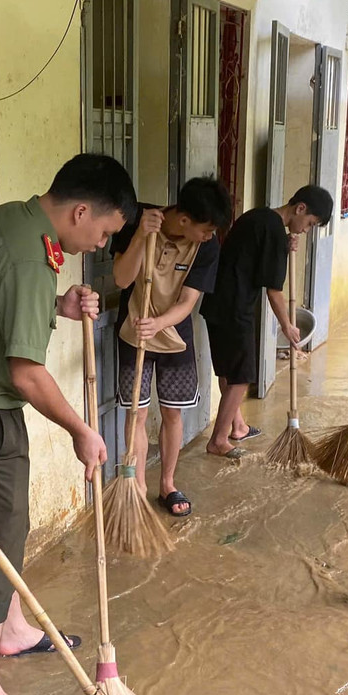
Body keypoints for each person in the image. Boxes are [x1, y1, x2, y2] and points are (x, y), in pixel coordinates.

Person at [0, 153, 133, 695]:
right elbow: (26, 373)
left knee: (9, 524)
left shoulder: (11, 219)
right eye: (103, 232)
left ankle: (14, 629)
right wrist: (82, 428)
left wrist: (58, 306)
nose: (98, 245)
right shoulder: (30, 261)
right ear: (79, 211)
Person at [110, 177, 232, 517]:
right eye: (206, 229)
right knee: (136, 411)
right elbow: (121, 278)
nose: (209, 236)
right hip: (133, 332)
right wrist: (139, 237)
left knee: (172, 411)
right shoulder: (138, 223)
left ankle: (167, 483)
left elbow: (189, 301)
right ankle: (137, 485)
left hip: (173, 336)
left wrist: (160, 323)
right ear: (183, 220)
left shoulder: (206, 247)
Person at [202, 185, 334, 458]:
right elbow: (274, 289)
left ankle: (237, 426)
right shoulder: (273, 228)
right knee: (242, 376)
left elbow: (257, 256)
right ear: (300, 208)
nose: (306, 230)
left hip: (217, 303)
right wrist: (287, 325)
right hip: (236, 309)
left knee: (229, 371)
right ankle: (218, 440)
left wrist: (284, 247)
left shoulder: (260, 217)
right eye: (309, 223)